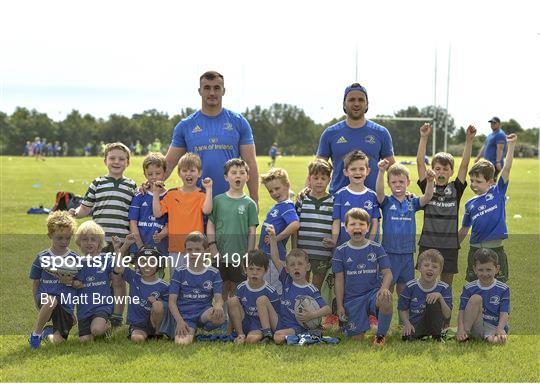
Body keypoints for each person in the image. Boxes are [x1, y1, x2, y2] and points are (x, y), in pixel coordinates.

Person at [164, 71, 259, 204]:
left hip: (231, 202)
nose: (212, 93)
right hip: (196, 203)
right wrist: (150, 185)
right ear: (200, 91)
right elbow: (168, 164)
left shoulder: (239, 122)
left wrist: (255, 198)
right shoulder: (185, 125)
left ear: (223, 91)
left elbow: (250, 162)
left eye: (216, 88)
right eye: (207, 88)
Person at [69, 142, 136, 326]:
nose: (116, 162)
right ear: (105, 160)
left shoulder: (131, 185)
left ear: (127, 162)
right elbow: (85, 208)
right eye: (112, 158)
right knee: (99, 280)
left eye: (121, 159)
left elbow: (135, 212)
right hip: (98, 243)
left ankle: (116, 316)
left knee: (118, 279)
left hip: (120, 243)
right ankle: (98, 312)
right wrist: (75, 212)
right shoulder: (98, 183)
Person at [416, 123, 476, 286]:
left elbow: (464, 165)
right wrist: (424, 137)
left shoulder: (456, 188)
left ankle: (444, 312)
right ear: (433, 171)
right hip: (428, 244)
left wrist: (469, 140)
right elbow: (420, 163)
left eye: (445, 169)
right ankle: (423, 311)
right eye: (437, 169)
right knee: (425, 285)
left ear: (451, 172)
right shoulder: (428, 186)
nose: (441, 172)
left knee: (445, 287)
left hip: (449, 246)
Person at [315, 83, 395, 193]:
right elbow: (317, 169)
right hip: (338, 202)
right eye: (351, 100)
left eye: (361, 100)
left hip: (371, 203)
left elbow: (393, 170)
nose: (356, 103)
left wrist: (404, 191)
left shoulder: (381, 133)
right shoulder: (330, 133)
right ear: (344, 104)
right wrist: (308, 189)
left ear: (367, 104)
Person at [459, 134, 517, 283]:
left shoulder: (498, 192)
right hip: (475, 250)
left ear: (491, 182)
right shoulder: (469, 204)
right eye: (472, 181)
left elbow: (507, 169)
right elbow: (464, 229)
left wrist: (510, 146)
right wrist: (453, 245)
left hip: (496, 249)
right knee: (473, 287)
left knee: (499, 286)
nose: (473, 184)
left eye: (478, 181)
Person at [332, 208, 393, 346]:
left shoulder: (376, 248)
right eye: (353, 224)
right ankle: (348, 324)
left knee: (386, 298)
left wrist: (383, 288)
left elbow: (388, 273)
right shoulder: (340, 252)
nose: (357, 227)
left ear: (367, 228)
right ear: (346, 228)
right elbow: (339, 280)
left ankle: (380, 335)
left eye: (361, 224)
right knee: (357, 339)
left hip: (372, 294)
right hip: (352, 299)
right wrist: (340, 305)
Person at [375, 161, 435, 298]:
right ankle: (383, 318)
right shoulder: (387, 202)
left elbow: (427, 197)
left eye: (401, 181)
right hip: (389, 253)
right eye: (394, 182)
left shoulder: (412, 202)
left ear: (408, 182)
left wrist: (430, 181)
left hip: (407, 253)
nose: (398, 185)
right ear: (389, 184)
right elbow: (379, 191)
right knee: (386, 290)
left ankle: (404, 319)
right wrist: (381, 171)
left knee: (405, 291)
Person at [266, 225, 331, 345]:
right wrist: (273, 238)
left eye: (300, 264)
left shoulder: (310, 289)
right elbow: (275, 258)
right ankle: (266, 333)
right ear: (287, 269)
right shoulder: (286, 278)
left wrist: (312, 315)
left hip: (296, 326)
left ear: (307, 267)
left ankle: (302, 335)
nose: (296, 267)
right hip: (279, 321)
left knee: (278, 337)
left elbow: (327, 309)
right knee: (263, 300)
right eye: (292, 265)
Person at [207, 158, 258, 302]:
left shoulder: (249, 204)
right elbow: (211, 224)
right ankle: (220, 317)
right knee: (221, 286)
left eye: (242, 173)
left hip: (239, 255)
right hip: (220, 254)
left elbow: (252, 231)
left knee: (237, 288)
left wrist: (249, 254)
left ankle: (234, 320)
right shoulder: (218, 200)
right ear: (226, 177)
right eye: (233, 172)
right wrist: (213, 247)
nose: (238, 176)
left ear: (247, 177)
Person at [152, 152, 212, 271]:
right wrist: (155, 193)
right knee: (176, 283)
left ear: (199, 173)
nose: (188, 174)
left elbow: (207, 210)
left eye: (192, 170)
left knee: (195, 281)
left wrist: (209, 189)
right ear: (179, 173)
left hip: (196, 248)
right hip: (175, 248)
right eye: (184, 171)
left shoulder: (201, 195)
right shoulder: (171, 194)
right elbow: (157, 213)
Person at [28, 211, 79, 349]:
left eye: (67, 238)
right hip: (46, 298)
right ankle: (36, 334)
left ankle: (47, 333)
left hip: (65, 303)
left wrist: (70, 282)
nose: (64, 242)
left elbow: (79, 284)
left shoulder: (74, 258)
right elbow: (36, 282)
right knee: (51, 301)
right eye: (59, 238)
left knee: (57, 342)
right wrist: (36, 302)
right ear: (50, 235)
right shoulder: (41, 257)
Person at [166, 232, 225, 345]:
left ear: (206, 251)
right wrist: (179, 321)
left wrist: (218, 305)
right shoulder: (179, 272)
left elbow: (219, 298)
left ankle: (205, 327)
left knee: (220, 316)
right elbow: (172, 302)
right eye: (189, 250)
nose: (193, 253)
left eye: (198, 249)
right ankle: (191, 328)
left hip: (203, 313)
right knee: (181, 343)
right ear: (185, 251)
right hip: (185, 315)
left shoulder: (214, 272)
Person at [113, 237, 169, 343]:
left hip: (155, 322)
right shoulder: (135, 277)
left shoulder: (164, 286)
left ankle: (158, 334)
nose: (147, 264)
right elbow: (118, 267)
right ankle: (142, 334)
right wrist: (122, 247)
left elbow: (168, 309)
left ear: (159, 264)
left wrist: (156, 302)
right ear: (138, 263)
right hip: (138, 325)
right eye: (143, 261)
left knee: (158, 306)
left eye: (152, 261)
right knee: (137, 339)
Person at [292, 158, 334, 291]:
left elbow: (335, 226)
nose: (319, 182)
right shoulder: (302, 199)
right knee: (301, 285)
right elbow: (295, 227)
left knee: (316, 288)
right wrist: (294, 249)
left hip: (323, 253)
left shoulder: (333, 201)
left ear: (329, 179)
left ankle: (315, 311)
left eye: (323, 178)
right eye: (316, 178)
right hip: (303, 253)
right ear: (309, 179)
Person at [258, 168, 300, 293]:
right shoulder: (279, 205)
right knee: (265, 287)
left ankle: (278, 312)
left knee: (274, 289)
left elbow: (295, 224)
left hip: (274, 257)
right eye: (270, 191)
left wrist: (276, 238)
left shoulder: (287, 206)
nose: (274, 193)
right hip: (266, 255)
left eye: (277, 189)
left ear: (287, 186)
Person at [456, 248, 510, 344]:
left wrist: (500, 329)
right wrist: (461, 329)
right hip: (475, 324)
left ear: (497, 269)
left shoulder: (503, 289)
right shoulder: (469, 288)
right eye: (481, 270)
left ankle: (487, 338)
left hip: (493, 326)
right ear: (474, 269)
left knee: (500, 341)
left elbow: (504, 312)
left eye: (488, 270)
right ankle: (465, 335)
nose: (485, 274)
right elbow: (462, 310)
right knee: (476, 298)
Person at [398, 249, 452, 342]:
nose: (430, 268)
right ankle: (417, 334)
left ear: (440, 271)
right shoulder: (410, 286)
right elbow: (403, 309)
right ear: (419, 267)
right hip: (416, 324)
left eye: (434, 267)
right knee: (407, 338)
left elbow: (447, 315)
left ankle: (436, 336)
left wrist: (440, 297)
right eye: (426, 265)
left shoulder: (444, 288)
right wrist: (407, 324)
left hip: (435, 326)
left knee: (434, 301)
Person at [227, 250, 280, 343]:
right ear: (245, 269)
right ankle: (240, 335)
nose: (254, 272)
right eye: (251, 269)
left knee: (251, 339)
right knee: (232, 301)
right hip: (245, 321)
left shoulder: (270, 290)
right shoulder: (241, 287)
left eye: (258, 269)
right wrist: (228, 333)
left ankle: (265, 336)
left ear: (265, 271)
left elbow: (275, 315)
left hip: (259, 324)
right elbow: (234, 312)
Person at [74, 221, 114, 342]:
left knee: (96, 330)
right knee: (85, 341)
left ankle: (107, 327)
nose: (89, 243)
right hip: (84, 309)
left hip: (102, 306)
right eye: (85, 239)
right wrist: (73, 283)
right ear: (79, 242)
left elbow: (117, 275)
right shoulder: (76, 263)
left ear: (99, 242)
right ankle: (95, 331)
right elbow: (70, 286)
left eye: (93, 239)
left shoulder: (106, 259)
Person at [332, 150, 380, 247]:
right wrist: (334, 241)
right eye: (353, 169)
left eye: (361, 169)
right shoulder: (340, 195)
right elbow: (336, 221)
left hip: (366, 247)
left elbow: (375, 223)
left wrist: (369, 243)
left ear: (368, 171)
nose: (358, 172)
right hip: (343, 247)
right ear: (346, 172)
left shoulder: (372, 196)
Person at [128, 152, 168, 256]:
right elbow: (133, 223)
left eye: (158, 173)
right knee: (138, 272)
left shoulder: (170, 196)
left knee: (157, 272)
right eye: (150, 174)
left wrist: (162, 235)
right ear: (145, 174)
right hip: (139, 246)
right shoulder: (140, 194)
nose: (154, 177)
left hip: (160, 249)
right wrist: (141, 246)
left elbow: (170, 224)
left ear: (164, 172)